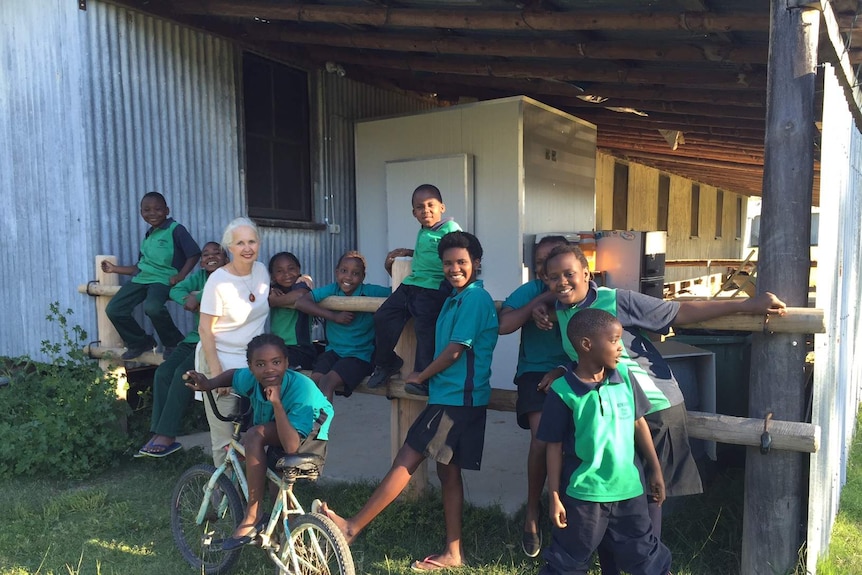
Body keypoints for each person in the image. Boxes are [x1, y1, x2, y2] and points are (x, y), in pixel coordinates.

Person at [537, 244, 787, 572]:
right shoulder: (563, 309)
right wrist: (558, 360)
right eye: (553, 277)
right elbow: (583, 358)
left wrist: (751, 303)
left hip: (652, 408)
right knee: (619, 492)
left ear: (587, 273)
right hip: (612, 414)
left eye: (569, 274)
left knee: (647, 499)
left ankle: (650, 566)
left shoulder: (616, 300)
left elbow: (676, 312)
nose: (562, 282)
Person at [316, 231, 499, 571]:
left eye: (461, 262)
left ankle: (352, 526)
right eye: (447, 263)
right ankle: (454, 553)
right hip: (453, 397)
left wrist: (421, 374)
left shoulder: (474, 300)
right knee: (448, 474)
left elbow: (455, 350)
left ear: (476, 263)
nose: (454, 269)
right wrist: (395, 261)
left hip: (456, 400)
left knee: (407, 457)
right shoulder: (456, 297)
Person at [537, 308, 671, 575]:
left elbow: (638, 423)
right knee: (568, 562)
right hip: (584, 496)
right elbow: (552, 446)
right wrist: (554, 496)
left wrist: (655, 470)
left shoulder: (625, 378)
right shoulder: (563, 392)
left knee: (647, 557)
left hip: (629, 490)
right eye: (614, 340)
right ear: (587, 345)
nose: (621, 347)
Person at [184, 334, 334, 551]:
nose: (269, 369)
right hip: (280, 425)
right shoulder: (251, 378)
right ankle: (289, 543)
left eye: (276, 362)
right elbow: (234, 376)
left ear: (287, 363)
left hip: (309, 434)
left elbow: (292, 446)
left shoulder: (302, 390)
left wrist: (277, 404)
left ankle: (253, 514)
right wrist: (209, 384)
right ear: (251, 367)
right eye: (260, 364)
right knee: (276, 485)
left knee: (255, 436)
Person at [497, 235, 571, 557]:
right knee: (542, 439)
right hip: (534, 374)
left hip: (573, 370)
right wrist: (533, 307)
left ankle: (573, 511)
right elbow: (504, 325)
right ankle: (532, 511)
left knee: (578, 440)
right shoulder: (530, 292)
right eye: (541, 263)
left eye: (554, 260)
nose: (547, 268)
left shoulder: (576, 289)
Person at [365, 184, 462, 395]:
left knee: (425, 330)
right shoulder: (425, 230)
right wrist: (410, 251)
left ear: (442, 208)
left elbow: (460, 254)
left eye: (431, 205)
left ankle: (422, 378)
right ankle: (387, 362)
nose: (426, 210)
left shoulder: (451, 230)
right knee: (383, 316)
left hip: (434, 288)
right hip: (412, 284)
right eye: (420, 207)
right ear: (414, 213)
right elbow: (429, 251)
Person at [136, 241, 228, 458]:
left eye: (217, 253)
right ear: (202, 262)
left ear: (226, 259)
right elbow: (177, 288)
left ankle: (167, 435)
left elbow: (219, 291)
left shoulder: (228, 277)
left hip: (214, 339)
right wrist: (189, 299)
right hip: (194, 338)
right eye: (206, 254)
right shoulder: (199, 277)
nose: (211, 256)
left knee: (182, 375)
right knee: (163, 372)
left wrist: (199, 295)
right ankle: (159, 432)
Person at [197, 217, 270, 467]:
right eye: (240, 243)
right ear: (229, 247)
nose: (247, 248)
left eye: (251, 241)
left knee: (254, 432)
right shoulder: (218, 281)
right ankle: (221, 499)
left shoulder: (261, 271)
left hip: (253, 367)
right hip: (221, 361)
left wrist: (305, 281)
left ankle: (249, 493)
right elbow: (205, 330)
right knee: (225, 439)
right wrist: (217, 373)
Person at [102, 191, 201, 360]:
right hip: (142, 279)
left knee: (152, 307)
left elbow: (194, 253)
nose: (152, 213)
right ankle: (140, 342)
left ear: (167, 210)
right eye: (147, 210)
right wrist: (114, 269)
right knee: (114, 309)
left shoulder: (175, 229)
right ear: (141, 213)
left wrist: (181, 276)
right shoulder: (149, 235)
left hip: (163, 279)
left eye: (158, 209)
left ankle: (174, 342)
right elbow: (138, 267)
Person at [294, 251, 390, 401]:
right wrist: (334, 316)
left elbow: (396, 293)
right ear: (336, 272)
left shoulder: (370, 291)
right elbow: (301, 302)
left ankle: (322, 424)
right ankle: (307, 422)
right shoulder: (332, 290)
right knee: (312, 383)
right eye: (344, 271)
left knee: (327, 382)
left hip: (359, 356)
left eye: (355, 273)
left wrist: (391, 269)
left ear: (363, 277)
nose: (348, 277)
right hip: (333, 352)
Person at [268, 251, 317, 370]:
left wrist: (274, 302)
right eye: (280, 271)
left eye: (291, 268)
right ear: (273, 276)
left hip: (300, 348)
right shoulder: (271, 290)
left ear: (299, 269)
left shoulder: (301, 285)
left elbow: (300, 295)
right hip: (278, 347)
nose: (287, 274)